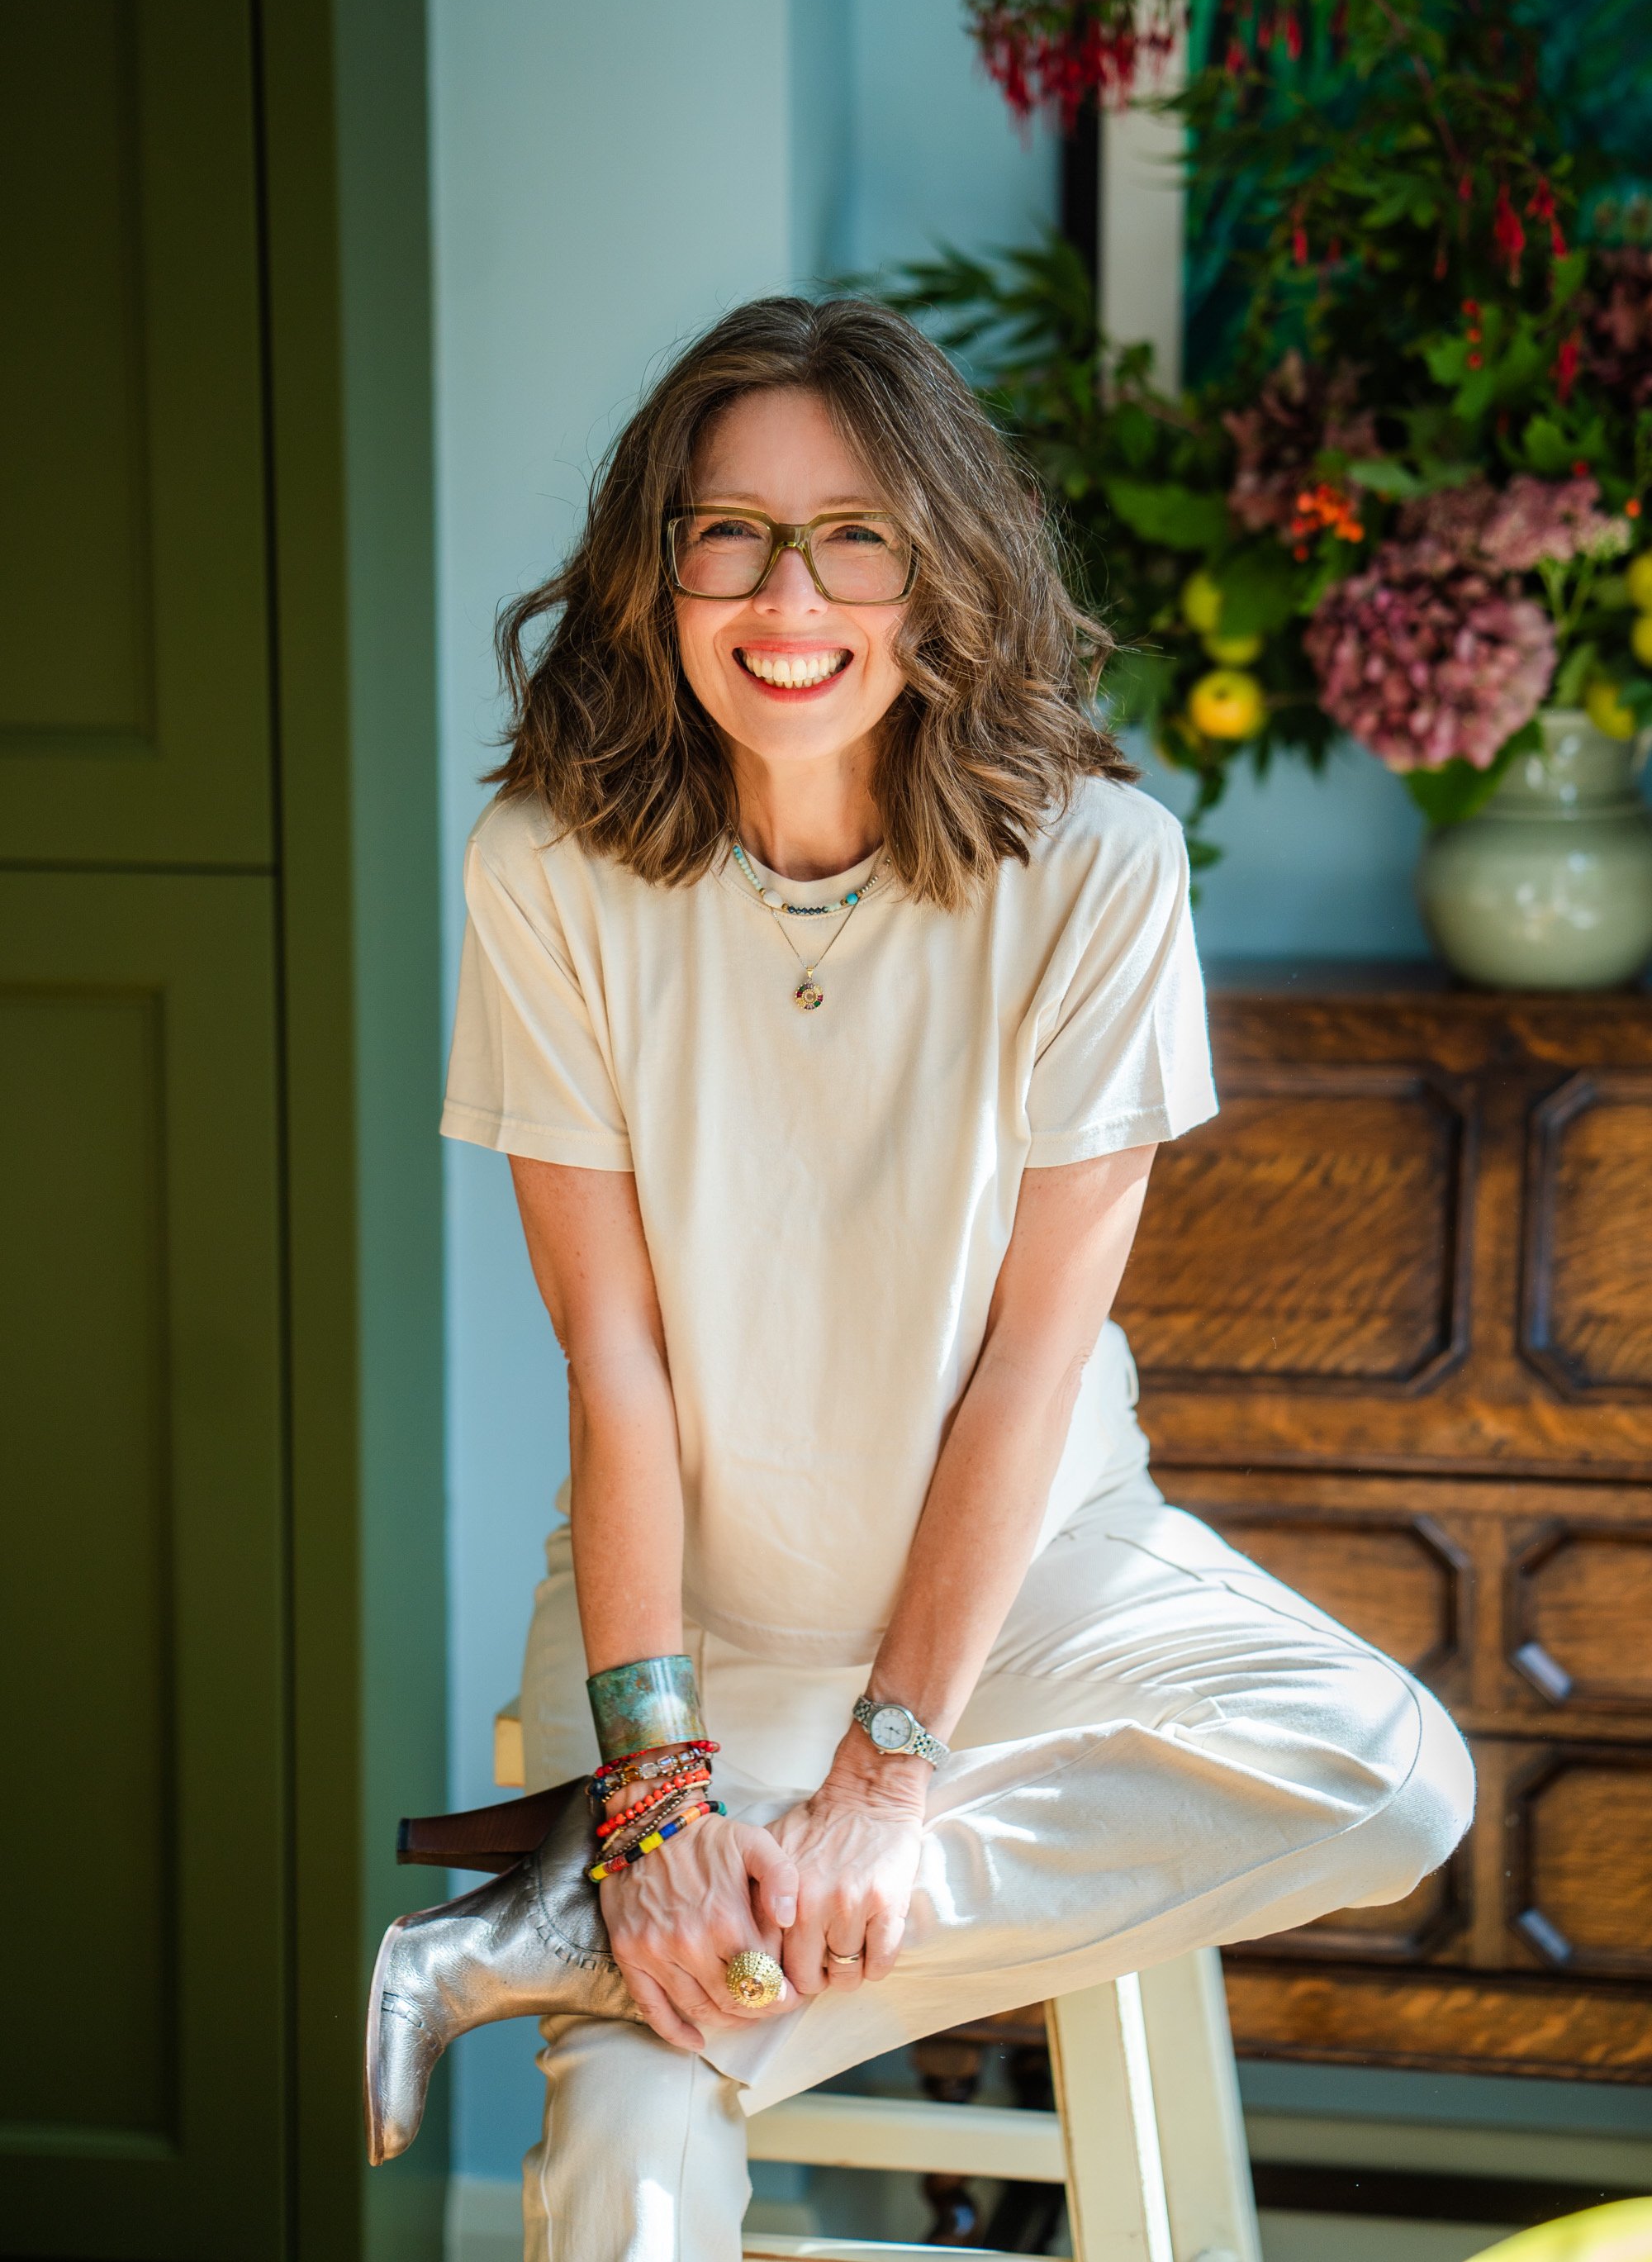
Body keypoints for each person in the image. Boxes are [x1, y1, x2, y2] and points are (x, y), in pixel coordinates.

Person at [364, 297, 1474, 2260]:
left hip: (1040, 1577)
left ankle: (585, 1957)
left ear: (940, 565)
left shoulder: (1102, 869)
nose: (788, 597)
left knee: (1388, 1773)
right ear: (658, 565)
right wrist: (654, 1793)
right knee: (628, 2147)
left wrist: (883, 1790)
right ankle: (623, 1945)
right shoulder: (545, 869)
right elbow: (611, 1366)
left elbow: (1030, 1367)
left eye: (853, 535)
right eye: (730, 532)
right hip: (690, 1617)